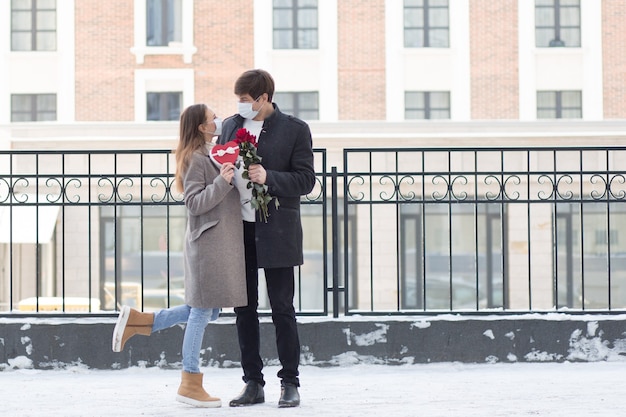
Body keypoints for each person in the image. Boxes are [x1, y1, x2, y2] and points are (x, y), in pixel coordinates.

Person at [111, 103, 247, 408]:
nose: (218, 119)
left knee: (210, 311)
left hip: (218, 244)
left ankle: (140, 321)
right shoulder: (195, 158)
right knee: (201, 311)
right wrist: (222, 181)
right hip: (208, 245)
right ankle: (189, 382)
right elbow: (195, 203)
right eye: (213, 117)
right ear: (202, 127)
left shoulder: (211, 153)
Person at [217, 69, 316, 408]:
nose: (240, 106)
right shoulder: (230, 126)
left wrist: (269, 176)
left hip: (277, 229)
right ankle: (252, 383)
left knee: (282, 309)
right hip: (238, 228)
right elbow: (218, 157)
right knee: (243, 309)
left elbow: (306, 181)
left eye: (246, 100)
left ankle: (290, 382)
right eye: (238, 100)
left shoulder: (295, 130)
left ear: (263, 98)